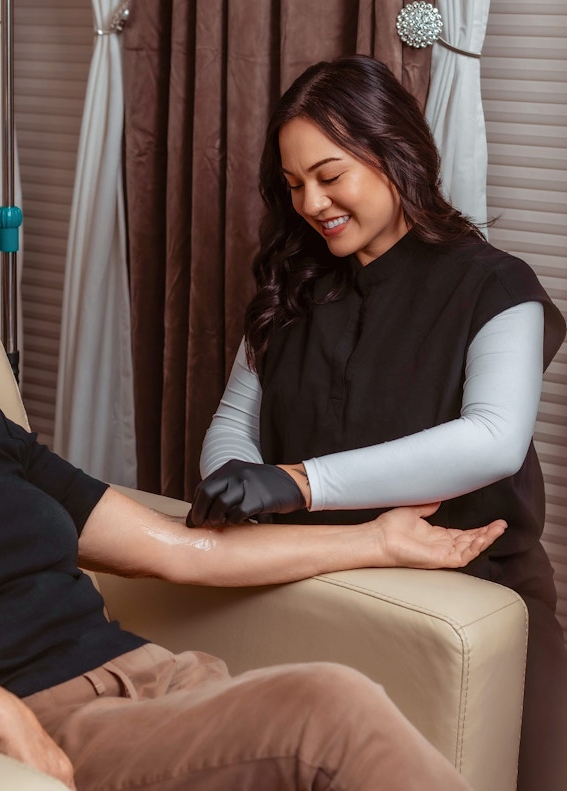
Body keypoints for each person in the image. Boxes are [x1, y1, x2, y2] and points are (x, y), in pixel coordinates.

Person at [0, 175, 505, 791]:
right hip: (47, 725)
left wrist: (374, 539)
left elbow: (183, 552)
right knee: (331, 707)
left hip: (166, 683)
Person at [190, 55, 567, 791]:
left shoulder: (498, 285)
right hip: (318, 589)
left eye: (331, 176)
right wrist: (231, 480)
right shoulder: (290, 285)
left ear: (396, 151)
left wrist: (293, 483)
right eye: (294, 184)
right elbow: (235, 418)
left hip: (479, 604)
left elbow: (494, 437)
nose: (310, 202)